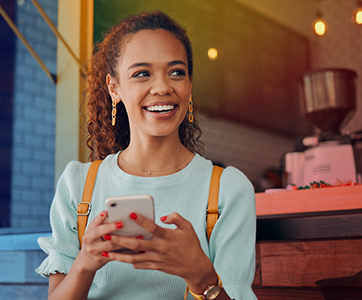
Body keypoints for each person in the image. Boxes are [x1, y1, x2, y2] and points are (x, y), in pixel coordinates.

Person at [36, 11, 257, 300]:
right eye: (142, 73)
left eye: (176, 72)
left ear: (189, 86)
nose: (163, 87)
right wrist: (84, 264)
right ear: (114, 87)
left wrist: (203, 278)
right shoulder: (78, 185)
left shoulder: (228, 190)